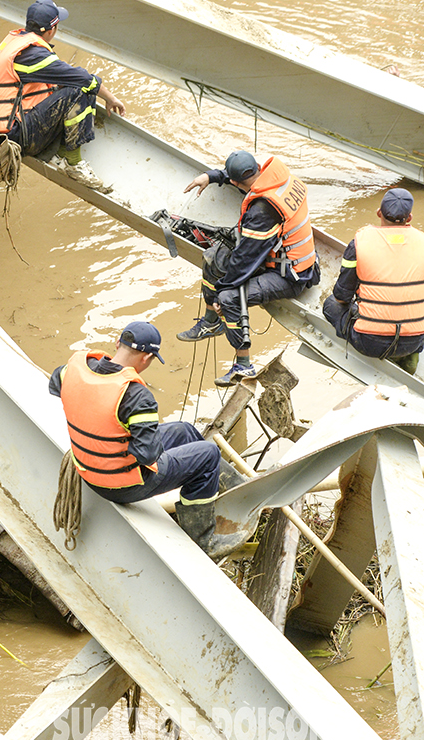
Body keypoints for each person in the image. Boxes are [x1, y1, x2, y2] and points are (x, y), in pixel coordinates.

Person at [49, 321, 225, 555]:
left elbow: (55, 386)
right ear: (146, 358)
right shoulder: (136, 396)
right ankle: (203, 538)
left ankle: (214, 485)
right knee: (210, 454)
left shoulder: (72, 369)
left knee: (184, 430)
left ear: (117, 343)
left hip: (87, 468)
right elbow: (147, 455)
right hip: (122, 484)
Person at [178, 149, 320, 387]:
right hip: (289, 256)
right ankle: (211, 322)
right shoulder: (275, 174)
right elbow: (238, 172)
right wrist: (212, 176)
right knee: (213, 258)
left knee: (229, 297)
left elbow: (245, 261)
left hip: (291, 275)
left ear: (236, 183)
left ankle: (244, 365)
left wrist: (221, 291)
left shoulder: (264, 210)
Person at [0, 0, 126, 193]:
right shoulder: (33, 55)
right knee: (80, 89)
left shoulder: (18, 43)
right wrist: (110, 98)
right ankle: (73, 164)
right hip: (18, 137)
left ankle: (62, 154)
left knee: (69, 85)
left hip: (10, 132)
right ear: (51, 30)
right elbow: (82, 78)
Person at [323, 188, 424, 374]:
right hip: (415, 340)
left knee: (330, 305)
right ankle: (409, 357)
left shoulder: (360, 242)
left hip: (370, 342)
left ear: (379, 213)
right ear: (409, 218)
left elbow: (341, 297)